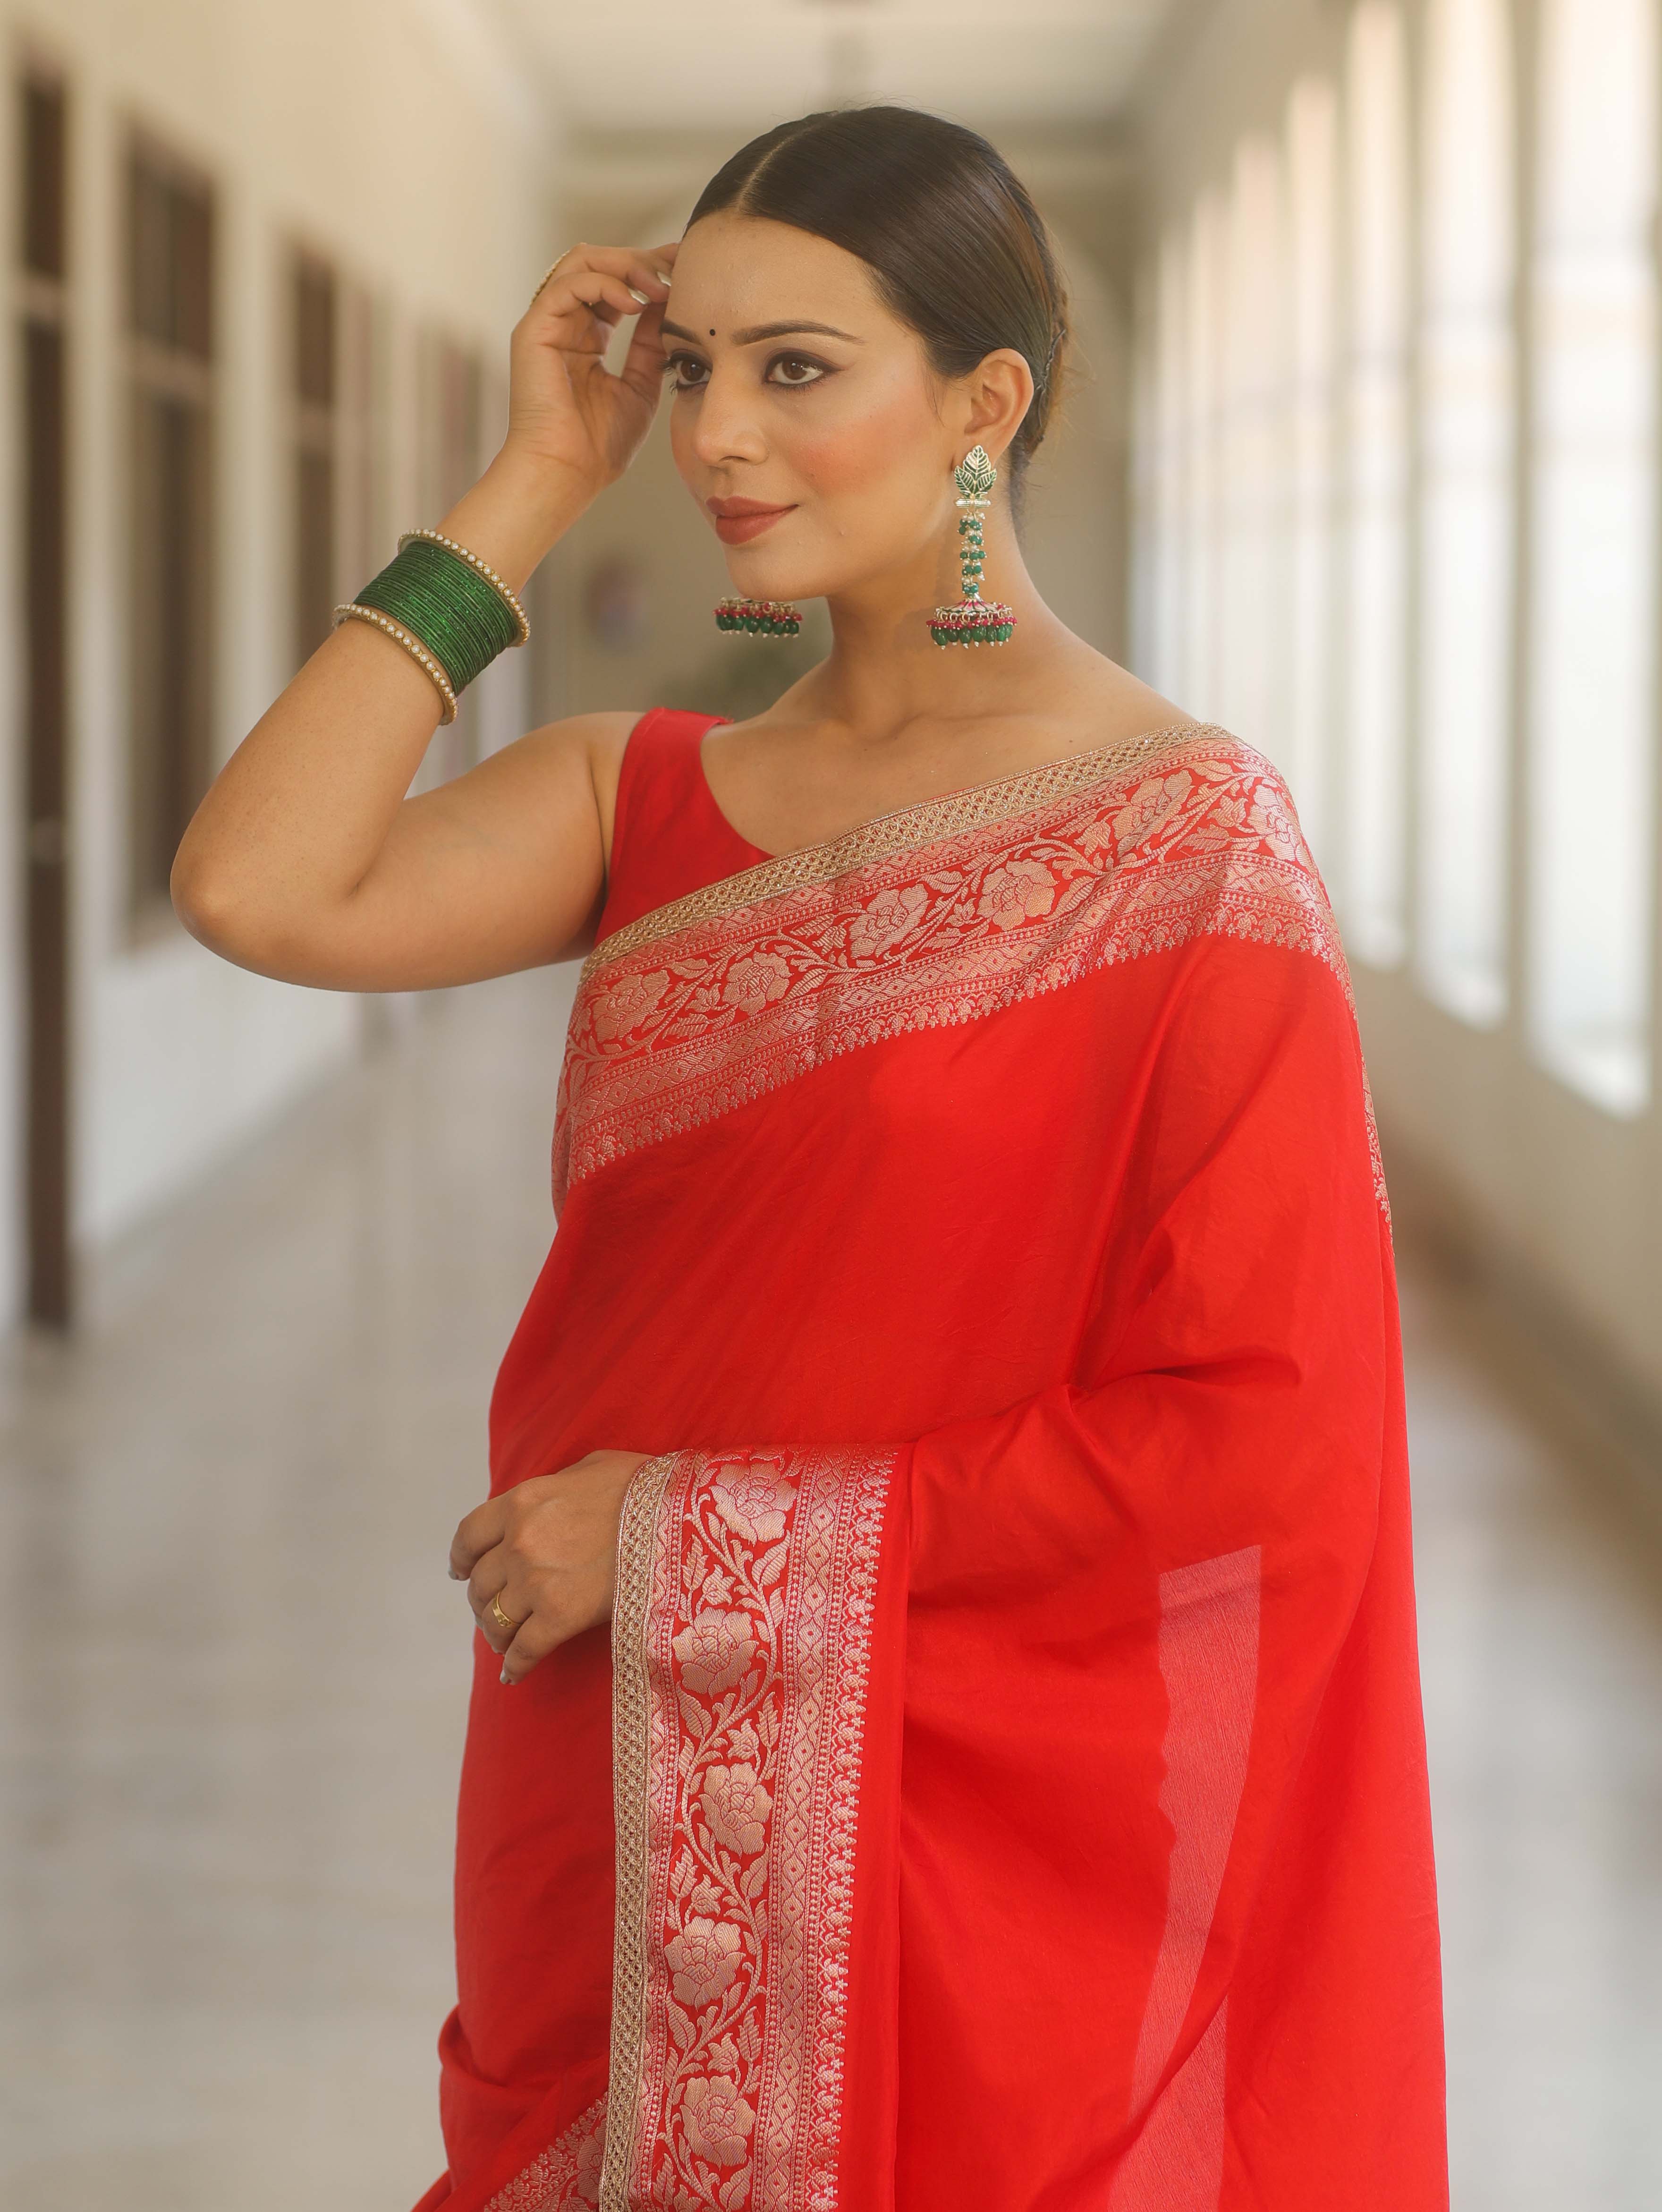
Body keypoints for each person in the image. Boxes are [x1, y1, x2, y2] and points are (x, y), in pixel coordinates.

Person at [173, 105, 1446, 2212]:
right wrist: (529, 485)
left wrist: (692, 1538)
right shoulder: (639, 791)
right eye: (695, 368)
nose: (717, 438)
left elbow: (1264, 1431)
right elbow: (258, 887)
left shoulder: (1189, 845)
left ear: (984, 402)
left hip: (961, 1804)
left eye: (796, 368)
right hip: (598, 1730)